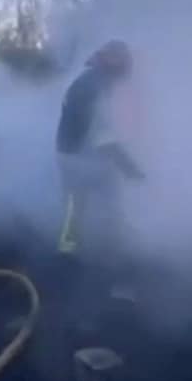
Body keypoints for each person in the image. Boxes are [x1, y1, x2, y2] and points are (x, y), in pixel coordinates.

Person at [55, 39, 145, 258]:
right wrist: (128, 167)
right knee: (77, 205)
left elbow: (100, 129)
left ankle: (110, 240)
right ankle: (67, 254)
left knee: (104, 197)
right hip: (76, 156)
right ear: (112, 62)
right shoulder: (93, 85)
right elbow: (100, 134)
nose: (126, 67)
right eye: (123, 61)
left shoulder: (95, 81)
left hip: (77, 152)